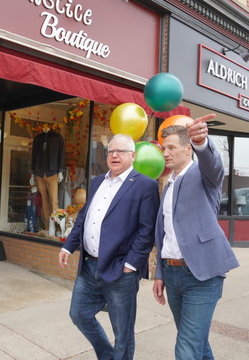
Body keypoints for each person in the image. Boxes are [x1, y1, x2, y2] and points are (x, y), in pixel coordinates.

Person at [58, 133, 160, 360]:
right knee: (79, 314)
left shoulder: (145, 185)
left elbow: (147, 231)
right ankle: (107, 355)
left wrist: (131, 264)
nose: (114, 155)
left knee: (122, 331)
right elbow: (83, 217)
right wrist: (68, 246)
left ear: (132, 156)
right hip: (89, 266)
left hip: (120, 270)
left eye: (121, 151)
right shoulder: (97, 181)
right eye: (111, 151)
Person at [152, 115, 239, 360]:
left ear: (188, 148)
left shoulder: (204, 176)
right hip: (172, 273)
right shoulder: (168, 184)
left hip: (202, 274)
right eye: (163, 149)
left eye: (171, 147)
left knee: (186, 348)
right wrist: (160, 273)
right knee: (196, 342)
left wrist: (202, 142)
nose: (165, 153)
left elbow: (213, 164)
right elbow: (165, 235)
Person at [31, 126, 65, 228]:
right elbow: (34, 155)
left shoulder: (57, 137)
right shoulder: (38, 138)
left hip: (52, 172)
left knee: (54, 201)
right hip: (39, 173)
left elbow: (61, 154)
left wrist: (60, 171)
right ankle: (47, 227)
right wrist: (32, 173)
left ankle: (59, 227)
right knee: (44, 201)